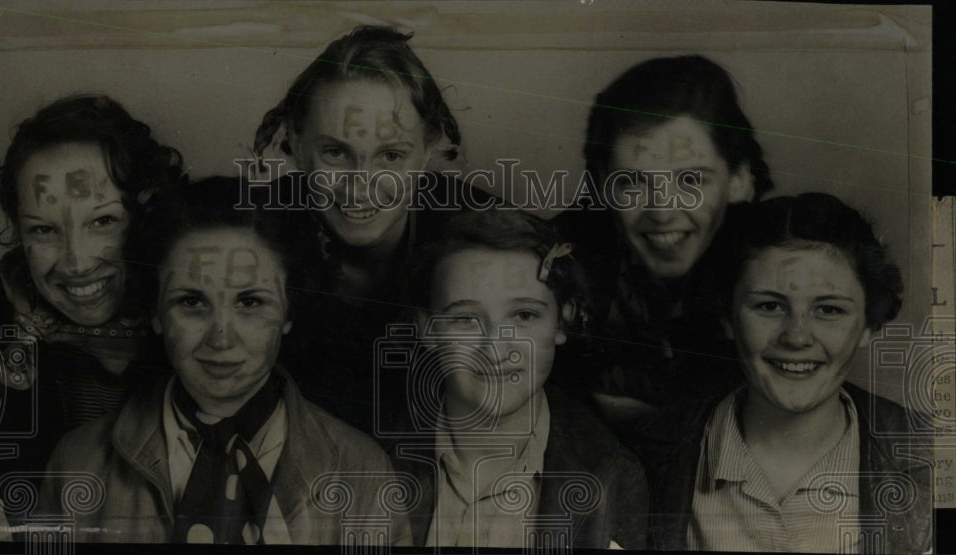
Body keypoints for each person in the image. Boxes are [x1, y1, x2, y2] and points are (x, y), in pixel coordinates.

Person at [36, 177, 410, 545]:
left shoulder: (361, 470)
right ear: (155, 311)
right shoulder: (78, 463)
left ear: (289, 311)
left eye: (249, 302)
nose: (221, 338)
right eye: (192, 302)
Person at [632, 193, 931, 552]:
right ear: (728, 316)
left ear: (869, 325)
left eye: (829, 310)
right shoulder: (643, 458)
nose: (797, 337)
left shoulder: (931, 457)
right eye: (770, 306)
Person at [0, 95, 184, 524]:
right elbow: (29, 513)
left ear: (145, 215)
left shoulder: (196, 298)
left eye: (102, 222)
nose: (76, 263)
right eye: (43, 230)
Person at [252, 25, 483, 438]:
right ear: (297, 143)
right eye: (336, 152)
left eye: (391, 156)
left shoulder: (483, 233)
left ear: (429, 148)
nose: (361, 185)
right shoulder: (253, 233)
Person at [391, 209, 648, 549]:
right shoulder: (369, 458)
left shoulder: (611, 477)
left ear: (562, 320)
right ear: (427, 328)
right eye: (465, 319)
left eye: (524, 315)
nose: (495, 349)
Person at [554, 55, 775, 414]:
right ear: (600, 183)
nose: (662, 212)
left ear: (740, 180)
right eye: (630, 182)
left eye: (690, 180)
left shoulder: (777, 268)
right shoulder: (555, 273)